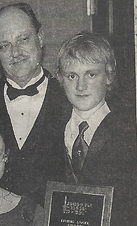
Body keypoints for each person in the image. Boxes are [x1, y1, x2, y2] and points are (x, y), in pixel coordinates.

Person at [0, 2, 69, 207]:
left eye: (23, 39)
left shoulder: (71, 99)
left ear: (40, 38)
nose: (16, 52)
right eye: (5, 45)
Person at [56, 31, 137, 225]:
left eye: (91, 74)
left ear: (109, 75)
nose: (81, 86)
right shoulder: (53, 129)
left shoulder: (129, 132)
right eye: (72, 76)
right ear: (60, 79)